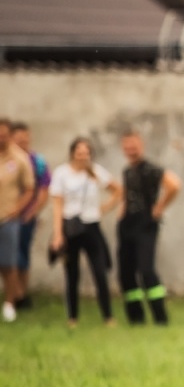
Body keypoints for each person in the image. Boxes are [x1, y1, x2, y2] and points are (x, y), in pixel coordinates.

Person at [50, 138, 120, 328]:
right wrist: (58, 234)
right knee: (72, 274)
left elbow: (118, 190)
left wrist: (104, 209)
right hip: (70, 228)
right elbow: (57, 205)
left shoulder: (95, 172)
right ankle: (72, 317)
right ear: (72, 153)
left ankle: (108, 316)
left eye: (86, 153)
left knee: (100, 272)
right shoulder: (61, 174)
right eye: (79, 152)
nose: (82, 156)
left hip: (91, 226)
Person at [117, 132, 181, 326]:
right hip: (127, 224)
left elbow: (174, 185)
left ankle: (160, 317)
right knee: (126, 272)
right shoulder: (127, 171)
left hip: (145, 224)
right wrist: (121, 212)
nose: (131, 150)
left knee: (146, 269)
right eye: (127, 147)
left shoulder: (150, 169)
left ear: (141, 146)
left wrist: (160, 207)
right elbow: (127, 194)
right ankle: (136, 318)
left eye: (134, 146)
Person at [0, 118, 37, 323]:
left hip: (8, 218)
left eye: (4, 135)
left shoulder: (20, 158)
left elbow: (30, 189)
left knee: (9, 263)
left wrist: (17, 209)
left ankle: (10, 304)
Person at [12, 123, 49, 310]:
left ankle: (21, 294)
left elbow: (43, 190)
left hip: (26, 217)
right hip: (6, 216)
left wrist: (32, 212)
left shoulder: (37, 161)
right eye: (19, 141)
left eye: (25, 140)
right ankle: (14, 294)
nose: (23, 143)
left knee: (21, 256)